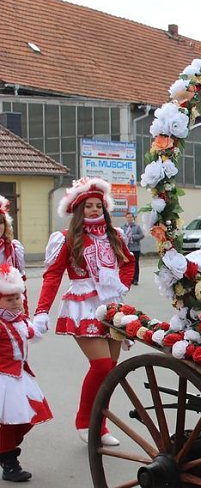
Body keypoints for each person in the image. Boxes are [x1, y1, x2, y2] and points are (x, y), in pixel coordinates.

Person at [34, 177, 135, 446]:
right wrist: (42, 311)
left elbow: (128, 263)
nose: (94, 210)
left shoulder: (115, 236)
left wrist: (121, 285)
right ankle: (84, 420)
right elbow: (53, 276)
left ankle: (100, 425)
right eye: (88, 206)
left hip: (111, 305)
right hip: (83, 304)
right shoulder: (68, 239)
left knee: (110, 370)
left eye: (98, 206)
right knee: (101, 365)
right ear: (79, 210)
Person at [0, 265, 52, 482]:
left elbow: (32, 332)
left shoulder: (20, 320)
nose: (15, 302)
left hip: (21, 376)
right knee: (7, 423)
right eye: (9, 299)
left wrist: (40, 322)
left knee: (28, 418)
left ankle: (7, 454)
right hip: (4, 379)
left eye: (17, 298)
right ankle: (10, 463)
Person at [0, 196, 28, 314]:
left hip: (8, 310)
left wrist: (24, 312)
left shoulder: (13, 248)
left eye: (0, 222)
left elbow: (21, 283)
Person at [121, 211, 144, 285]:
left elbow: (141, 235)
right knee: (127, 264)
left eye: (131, 217)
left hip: (135, 248)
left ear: (133, 218)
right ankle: (128, 278)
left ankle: (135, 279)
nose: (129, 219)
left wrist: (132, 237)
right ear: (126, 218)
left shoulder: (137, 227)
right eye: (128, 217)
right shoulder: (123, 227)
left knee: (135, 264)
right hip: (126, 249)